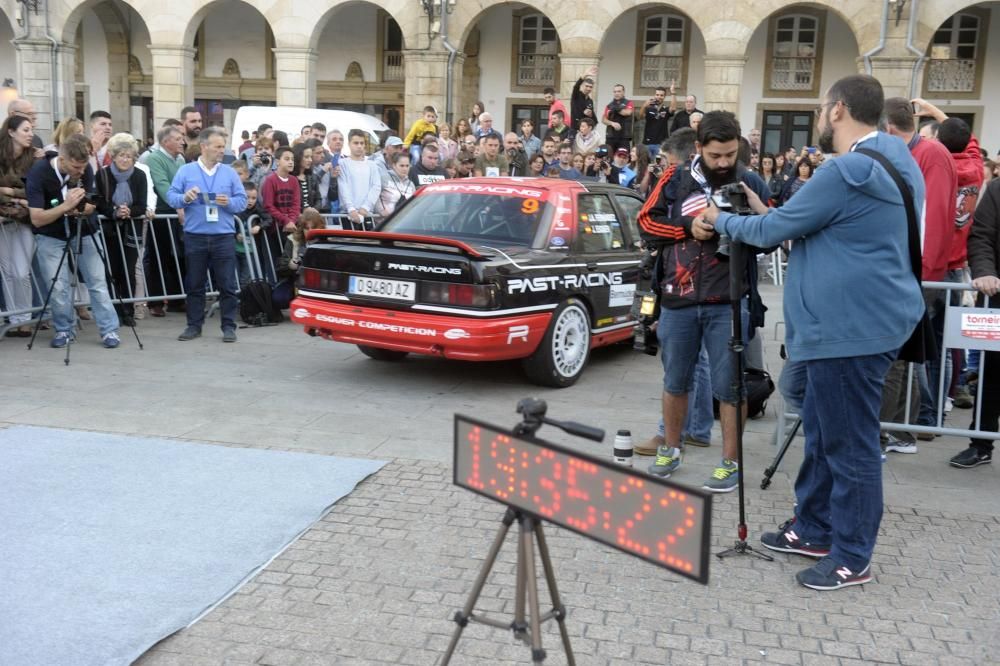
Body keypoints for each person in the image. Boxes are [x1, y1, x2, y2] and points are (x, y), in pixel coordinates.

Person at [706, 74, 925, 590]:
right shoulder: (898, 159)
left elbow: (768, 233)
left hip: (849, 328)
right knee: (827, 433)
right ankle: (814, 528)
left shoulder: (846, 170)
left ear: (839, 110)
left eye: (823, 108)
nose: (821, 117)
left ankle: (851, 555)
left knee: (848, 445)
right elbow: (817, 223)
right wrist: (771, 212)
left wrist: (720, 219)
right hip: (866, 322)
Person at [636, 110, 771, 493]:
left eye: (731, 154)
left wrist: (746, 221)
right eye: (716, 156)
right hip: (678, 298)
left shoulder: (750, 181)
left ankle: (731, 463)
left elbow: (774, 235)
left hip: (729, 300)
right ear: (699, 149)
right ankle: (671, 449)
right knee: (675, 380)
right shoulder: (675, 179)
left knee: (731, 387)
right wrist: (686, 228)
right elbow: (645, 222)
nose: (725, 163)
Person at [26, 134, 121, 348]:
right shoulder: (38, 173)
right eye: (76, 167)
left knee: (97, 281)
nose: (81, 171)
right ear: (62, 158)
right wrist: (66, 207)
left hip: (85, 230)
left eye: (83, 166)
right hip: (50, 234)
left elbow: (91, 202)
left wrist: (86, 208)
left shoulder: (85, 169)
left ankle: (109, 331)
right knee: (58, 285)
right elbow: (37, 218)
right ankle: (63, 329)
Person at [167, 127, 247, 343]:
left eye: (223, 146)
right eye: (218, 146)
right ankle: (194, 326)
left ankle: (229, 327)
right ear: (204, 147)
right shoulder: (186, 171)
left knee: (227, 284)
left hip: (223, 237)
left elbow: (242, 201)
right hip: (195, 236)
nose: (222, 150)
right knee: (195, 283)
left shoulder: (229, 172)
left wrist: (228, 202)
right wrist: (185, 197)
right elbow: (171, 197)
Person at [949, 177, 1000, 468]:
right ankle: (981, 444)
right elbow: (981, 236)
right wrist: (984, 272)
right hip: (997, 298)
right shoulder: (996, 189)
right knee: (992, 377)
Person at [94, 133, 147, 327]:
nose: (125, 159)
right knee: (112, 271)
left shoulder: (140, 175)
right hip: (109, 229)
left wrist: (128, 211)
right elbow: (98, 201)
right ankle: (114, 310)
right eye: (121, 155)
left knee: (129, 271)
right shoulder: (102, 175)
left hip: (131, 229)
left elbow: (142, 204)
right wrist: (114, 211)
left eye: (129, 156)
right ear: (114, 157)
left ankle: (128, 311)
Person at [0, 115, 39, 336]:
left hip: (25, 220)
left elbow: (33, 192)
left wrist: (8, 191)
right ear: (11, 132)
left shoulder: (34, 158)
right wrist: (18, 197)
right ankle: (13, 318)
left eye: (31, 130)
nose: (30, 133)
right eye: (26, 130)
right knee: (6, 271)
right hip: (3, 220)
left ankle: (24, 319)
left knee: (21, 272)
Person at [144, 124, 187, 317]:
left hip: (179, 214)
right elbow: (162, 185)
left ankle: (177, 299)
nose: (182, 142)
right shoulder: (155, 159)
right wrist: (179, 204)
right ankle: (155, 301)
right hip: (161, 215)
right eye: (178, 139)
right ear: (166, 141)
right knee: (157, 258)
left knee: (178, 257)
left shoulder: (180, 159)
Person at [274, 207, 326, 310]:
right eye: (307, 228)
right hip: (296, 280)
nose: (310, 231)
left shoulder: (327, 241)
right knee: (279, 298)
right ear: (302, 228)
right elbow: (280, 266)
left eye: (314, 228)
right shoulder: (293, 240)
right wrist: (290, 265)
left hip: (321, 281)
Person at [337, 129, 380, 228]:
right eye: (356, 143)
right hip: (347, 213)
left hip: (367, 213)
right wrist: (351, 209)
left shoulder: (372, 164)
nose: (359, 146)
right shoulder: (343, 163)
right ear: (349, 144)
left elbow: (376, 186)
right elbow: (343, 186)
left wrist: (365, 207)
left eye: (362, 143)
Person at [262, 147, 301, 235]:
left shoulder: (294, 180)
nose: (291, 162)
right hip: (274, 228)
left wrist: (292, 220)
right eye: (287, 159)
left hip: (291, 226)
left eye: (292, 159)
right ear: (277, 162)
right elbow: (268, 206)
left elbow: (296, 204)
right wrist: (286, 220)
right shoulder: (270, 180)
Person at [640, 83, 676, 158]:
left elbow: (673, 108)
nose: (659, 97)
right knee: (646, 166)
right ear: (655, 95)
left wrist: (673, 93)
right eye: (657, 94)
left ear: (664, 97)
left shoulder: (665, 109)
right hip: (647, 143)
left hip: (661, 144)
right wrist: (644, 105)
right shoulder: (649, 108)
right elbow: (641, 116)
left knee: (660, 166)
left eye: (661, 95)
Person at [376, 152, 415, 219]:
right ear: (394, 165)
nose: (405, 169)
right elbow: (374, 196)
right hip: (384, 222)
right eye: (402, 166)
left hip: (404, 222)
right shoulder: (383, 178)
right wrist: (380, 210)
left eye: (407, 166)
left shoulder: (411, 185)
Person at [602, 84, 634, 153]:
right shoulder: (609, 105)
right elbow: (604, 120)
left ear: (623, 92)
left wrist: (615, 108)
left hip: (624, 137)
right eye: (615, 92)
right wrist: (612, 123)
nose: (616, 93)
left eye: (619, 91)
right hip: (611, 137)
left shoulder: (629, 103)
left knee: (624, 157)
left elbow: (627, 112)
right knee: (609, 157)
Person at [292, 143, 320, 212]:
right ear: (298, 157)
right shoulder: (289, 177)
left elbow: (318, 198)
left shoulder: (312, 177)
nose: (310, 160)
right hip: (295, 218)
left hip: (310, 218)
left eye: (311, 157)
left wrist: (315, 209)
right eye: (306, 157)